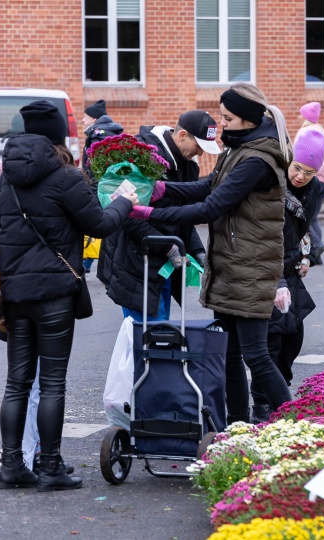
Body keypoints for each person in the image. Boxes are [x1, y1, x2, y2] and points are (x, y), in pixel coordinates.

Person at [126, 82, 294, 422]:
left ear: (248, 120)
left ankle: (299, 422)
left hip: (250, 267)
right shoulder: (239, 149)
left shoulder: (257, 160)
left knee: (256, 356)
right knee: (230, 355)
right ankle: (237, 424)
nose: (224, 124)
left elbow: (211, 207)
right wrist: (162, 189)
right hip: (232, 266)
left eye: (229, 118)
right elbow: (207, 186)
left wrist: (150, 213)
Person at [0, 100, 137, 491]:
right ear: (59, 136)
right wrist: (125, 201)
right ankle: (50, 466)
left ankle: (11, 466)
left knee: (16, 382)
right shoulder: (65, 177)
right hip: (55, 291)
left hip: (15, 290)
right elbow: (100, 224)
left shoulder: (8, 177)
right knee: (53, 382)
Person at [98, 110, 221, 321]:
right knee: (146, 336)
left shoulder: (189, 165)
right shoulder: (141, 157)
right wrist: (168, 246)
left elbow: (184, 215)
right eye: (199, 146)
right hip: (135, 262)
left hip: (163, 263)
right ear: (182, 135)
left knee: (158, 335)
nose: (200, 154)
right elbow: (124, 213)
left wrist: (197, 250)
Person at [250, 130, 324, 423]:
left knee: (293, 337)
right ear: (289, 161)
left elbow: (301, 230)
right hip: (267, 268)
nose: (301, 176)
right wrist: (278, 277)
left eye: (308, 172)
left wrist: (305, 255)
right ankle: (262, 404)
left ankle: (279, 392)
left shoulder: (313, 188)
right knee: (271, 340)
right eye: (297, 168)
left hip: (290, 265)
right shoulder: (274, 184)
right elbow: (265, 234)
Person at [81, 99, 125, 273]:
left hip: (99, 185)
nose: (82, 121)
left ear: (93, 119)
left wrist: (92, 185)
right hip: (107, 184)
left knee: (94, 220)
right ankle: (88, 262)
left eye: (85, 117)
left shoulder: (99, 134)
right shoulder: (107, 132)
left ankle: (85, 263)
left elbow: (96, 166)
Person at [296, 102, 324, 265]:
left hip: (311, 177)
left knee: (302, 214)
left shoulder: (306, 132)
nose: (298, 117)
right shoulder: (321, 131)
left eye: (301, 114)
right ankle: (316, 254)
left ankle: (316, 246)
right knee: (313, 217)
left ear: (306, 117)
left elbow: (298, 155)